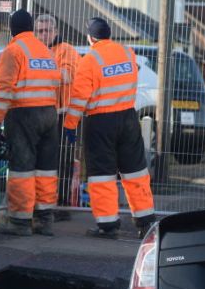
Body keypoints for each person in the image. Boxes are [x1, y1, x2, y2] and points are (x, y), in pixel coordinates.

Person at [64, 17, 156, 239]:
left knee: (102, 174)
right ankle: (145, 223)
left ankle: (107, 225)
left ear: (90, 37)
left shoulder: (90, 60)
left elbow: (79, 98)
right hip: (128, 116)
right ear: (109, 34)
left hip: (100, 122)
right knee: (135, 171)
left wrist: (69, 124)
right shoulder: (127, 53)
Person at [0, 9, 62, 236]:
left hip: (23, 114)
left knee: (22, 168)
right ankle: (44, 219)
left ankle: (20, 222)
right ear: (31, 27)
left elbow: (4, 91)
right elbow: (55, 81)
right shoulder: (46, 51)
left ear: (12, 29)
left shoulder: (13, 51)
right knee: (45, 169)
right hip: (50, 114)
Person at [34, 13, 81, 220]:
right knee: (42, 160)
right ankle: (42, 203)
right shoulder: (33, 49)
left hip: (63, 114)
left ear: (56, 31)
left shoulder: (67, 50)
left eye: (48, 30)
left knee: (63, 160)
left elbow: (67, 75)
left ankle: (61, 205)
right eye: (40, 31)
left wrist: (41, 71)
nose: (44, 34)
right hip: (39, 112)